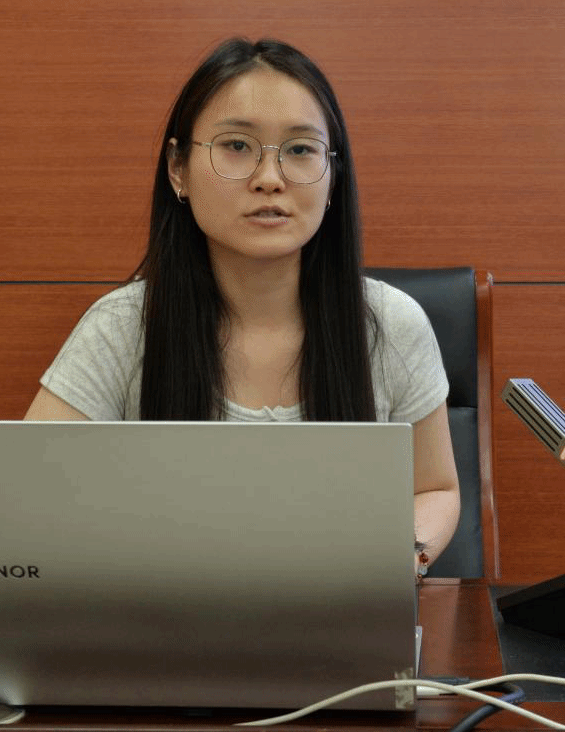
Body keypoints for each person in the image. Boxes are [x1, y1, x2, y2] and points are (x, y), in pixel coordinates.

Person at [25, 37, 460, 570]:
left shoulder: (390, 323)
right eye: (236, 145)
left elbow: (434, 489)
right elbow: (30, 496)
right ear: (178, 169)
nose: (269, 180)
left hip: (343, 611)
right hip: (168, 613)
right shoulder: (122, 328)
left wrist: (398, 561)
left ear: (333, 177)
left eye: (299, 150)